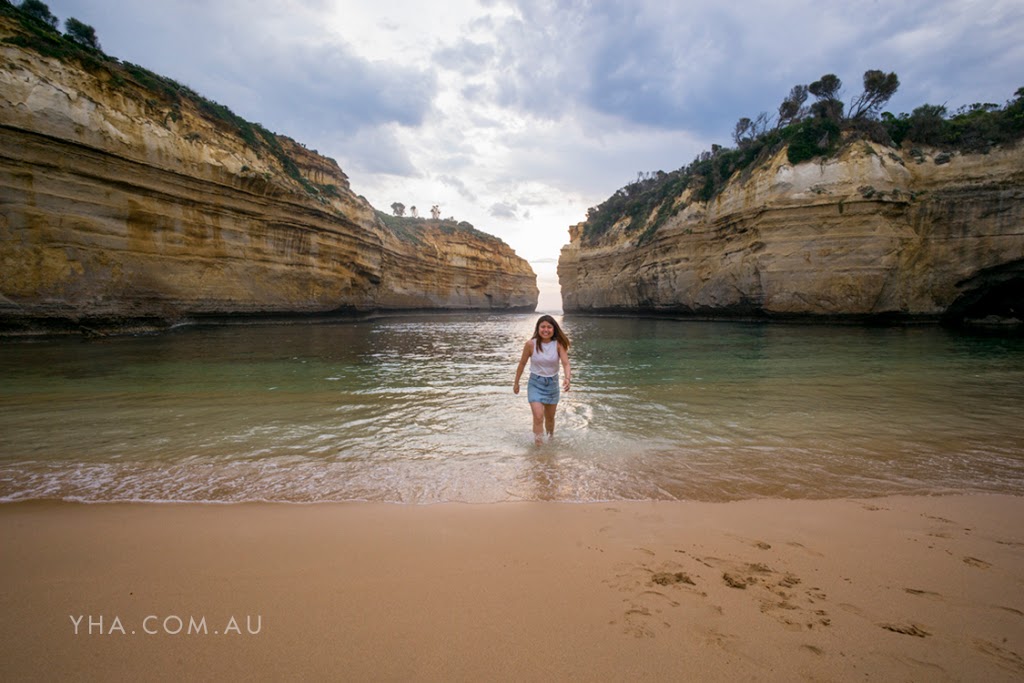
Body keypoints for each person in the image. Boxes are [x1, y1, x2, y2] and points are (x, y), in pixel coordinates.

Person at [513, 315, 571, 445]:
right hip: (535, 383)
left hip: (552, 384)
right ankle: (538, 447)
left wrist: (567, 378)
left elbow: (566, 363)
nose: (546, 330)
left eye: (549, 327)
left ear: (554, 329)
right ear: (538, 328)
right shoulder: (530, 344)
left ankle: (550, 441)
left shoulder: (558, 345)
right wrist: (516, 382)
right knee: (538, 417)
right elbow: (522, 364)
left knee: (549, 419)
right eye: (543, 327)